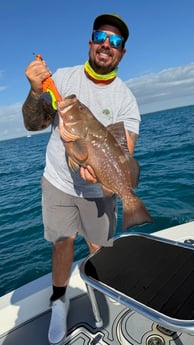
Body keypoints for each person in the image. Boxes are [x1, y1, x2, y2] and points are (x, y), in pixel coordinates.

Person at [22, 13, 141, 345]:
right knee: (62, 243)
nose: (106, 44)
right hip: (58, 182)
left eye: (115, 41)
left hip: (100, 188)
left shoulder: (126, 100)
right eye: (101, 36)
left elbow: (124, 150)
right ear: (90, 42)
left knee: (99, 247)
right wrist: (35, 91)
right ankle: (59, 301)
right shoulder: (62, 78)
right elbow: (34, 124)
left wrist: (97, 169)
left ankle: (104, 292)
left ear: (122, 53)